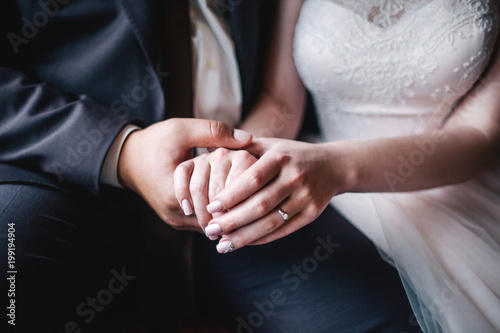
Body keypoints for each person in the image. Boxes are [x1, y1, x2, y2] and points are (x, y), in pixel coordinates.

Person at [175, 0, 500, 332]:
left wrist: (338, 167)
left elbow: (480, 133)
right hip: (327, 183)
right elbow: (281, 101)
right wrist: (236, 154)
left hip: (453, 187)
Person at [0, 0, 275, 331]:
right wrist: (124, 150)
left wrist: (246, 157)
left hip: (240, 183)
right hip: (71, 172)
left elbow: (280, 91)